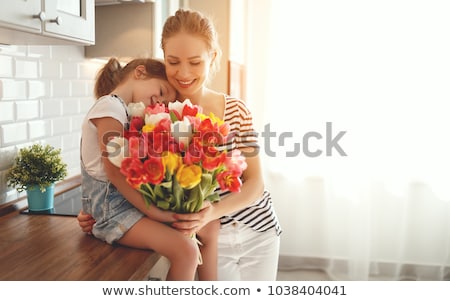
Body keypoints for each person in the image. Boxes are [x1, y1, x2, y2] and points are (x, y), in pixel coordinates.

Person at [78, 9, 282, 281]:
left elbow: (256, 183)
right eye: (173, 61)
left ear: (213, 58)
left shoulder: (237, 110)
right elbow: (126, 175)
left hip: (258, 232)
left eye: (195, 62)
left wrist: (211, 213)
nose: (184, 72)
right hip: (209, 238)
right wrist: (95, 208)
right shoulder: (147, 115)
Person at [80, 57, 219, 281]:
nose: (159, 101)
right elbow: (114, 171)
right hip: (113, 212)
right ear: (140, 72)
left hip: (129, 207)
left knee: (210, 226)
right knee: (186, 251)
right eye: (162, 90)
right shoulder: (109, 106)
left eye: (165, 102)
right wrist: (156, 213)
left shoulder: (126, 112)